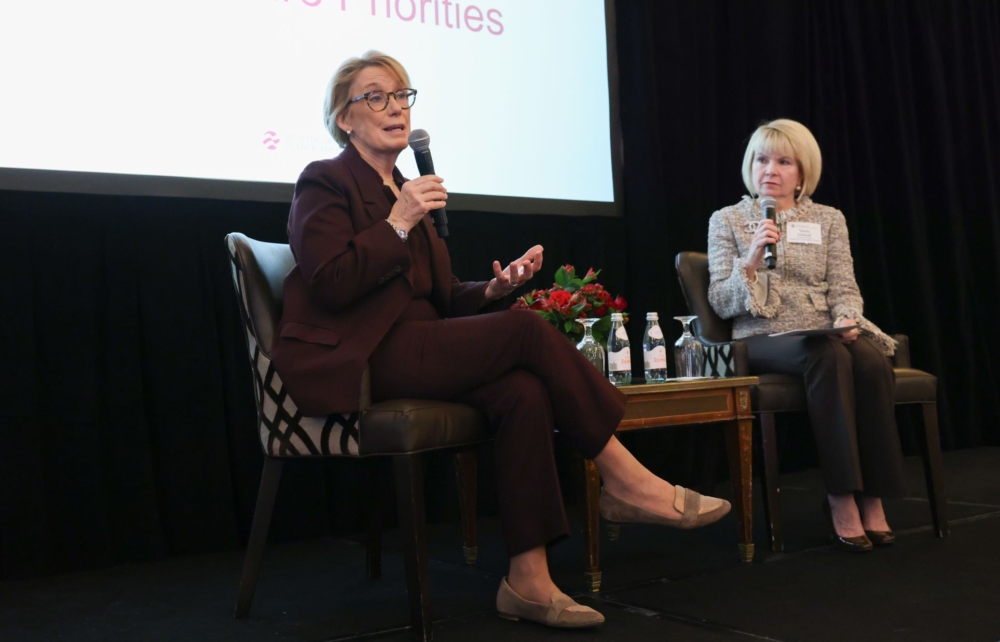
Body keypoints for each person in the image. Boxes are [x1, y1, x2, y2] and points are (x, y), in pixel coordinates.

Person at [272, 50, 731, 629]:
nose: (394, 108)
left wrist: (491, 290)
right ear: (344, 117)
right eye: (375, 96)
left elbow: (440, 298)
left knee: (522, 392)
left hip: (421, 342)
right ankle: (625, 477)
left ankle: (528, 581)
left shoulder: (410, 188)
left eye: (401, 95)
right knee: (523, 331)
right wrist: (398, 223)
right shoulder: (326, 180)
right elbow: (331, 281)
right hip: (365, 354)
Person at [707, 119, 906, 552]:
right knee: (826, 356)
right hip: (764, 335)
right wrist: (754, 257)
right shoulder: (728, 221)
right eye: (762, 159)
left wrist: (848, 319)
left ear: (803, 172)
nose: (770, 170)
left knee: (871, 359)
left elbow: (844, 285)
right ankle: (840, 497)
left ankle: (873, 497)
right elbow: (721, 301)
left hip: (823, 330)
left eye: (783, 161)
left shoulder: (829, 219)